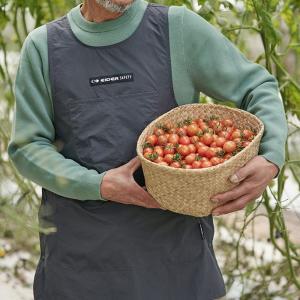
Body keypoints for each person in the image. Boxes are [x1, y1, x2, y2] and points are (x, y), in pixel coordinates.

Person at [8, 0, 287, 299]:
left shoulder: (177, 28)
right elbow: (28, 147)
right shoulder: (44, 47)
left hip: (175, 263)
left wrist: (270, 157)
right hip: (79, 268)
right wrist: (99, 184)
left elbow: (257, 86)